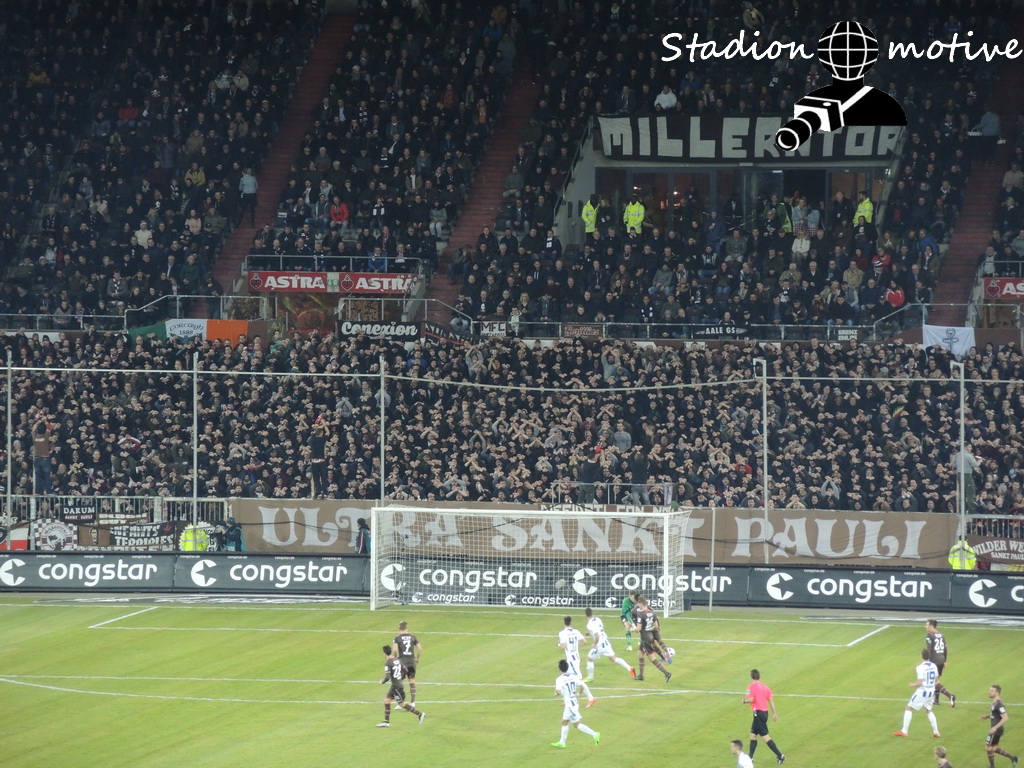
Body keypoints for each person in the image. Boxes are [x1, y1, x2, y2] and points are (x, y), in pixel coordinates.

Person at [551, 659, 600, 749]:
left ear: (559, 669)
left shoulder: (559, 679)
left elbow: (558, 692)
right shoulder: (573, 676)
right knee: (564, 722)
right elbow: (582, 686)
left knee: (576, 724)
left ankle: (594, 734)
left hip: (570, 705)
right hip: (573, 702)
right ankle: (562, 742)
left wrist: (556, 693)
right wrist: (578, 694)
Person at [894, 649, 941, 738]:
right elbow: (936, 679)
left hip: (922, 691)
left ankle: (904, 731)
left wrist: (912, 684)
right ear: (929, 656)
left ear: (921, 656)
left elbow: (919, 683)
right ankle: (936, 732)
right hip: (931, 691)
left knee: (908, 707)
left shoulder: (920, 667)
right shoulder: (934, 665)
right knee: (929, 710)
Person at [377, 644, 425, 727]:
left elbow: (387, 677)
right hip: (396, 685)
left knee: (402, 704)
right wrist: (400, 678)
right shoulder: (397, 660)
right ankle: (386, 722)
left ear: (384, 653)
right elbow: (406, 670)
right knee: (386, 701)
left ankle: (419, 714)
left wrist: (382, 682)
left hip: (396, 687)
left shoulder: (388, 663)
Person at [744, 668, 785, 764]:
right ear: (759, 676)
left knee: (765, 737)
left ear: (751, 677)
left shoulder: (750, 687)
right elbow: (771, 701)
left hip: (757, 714)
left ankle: (780, 756)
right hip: (764, 713)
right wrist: (774, 713)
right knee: (753, 735)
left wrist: (744, 701)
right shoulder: (765, 687)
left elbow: (750, 699)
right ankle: (750, 758)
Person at [583, 607, 635, 682]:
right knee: (613, 658)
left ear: (585, 615)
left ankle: (590, 678)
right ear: (593, 613)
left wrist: (594, 644)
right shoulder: (598, 619)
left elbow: (597, 635)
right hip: (606, 642)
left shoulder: (589, 625)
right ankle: (630, 668)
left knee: (589, 659)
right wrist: (589, 633)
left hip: (599, 645)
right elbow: (600, 629)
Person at [629, 596, 672, 683]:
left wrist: (632, 629)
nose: (638, 606)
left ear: (641, 603)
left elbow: (638, 628)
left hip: (645, 639)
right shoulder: (652, 613)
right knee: (640, 654)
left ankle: (667, 673)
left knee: (652, 659)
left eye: (638, 604)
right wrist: (649, 628)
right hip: (650, 636)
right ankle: (641, 676)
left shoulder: (641, 614)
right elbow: (656, 626)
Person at [557, 616, 595, 706]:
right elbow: (584, 641)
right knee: (570, 679)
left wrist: (558, 644)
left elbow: (562, 646)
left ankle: (591, 698)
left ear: (564, 623)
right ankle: (570, 699)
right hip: (576, 657)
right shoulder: (576, 631)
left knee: (578, 680)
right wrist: (575, 646)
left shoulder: (562, 633)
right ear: (570, 622)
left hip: (571, 660)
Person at [981, 684, 1019, 767]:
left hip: (996, 729)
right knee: (994, 748)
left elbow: (1005, 718)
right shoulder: (994, 702)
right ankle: (1013, 758)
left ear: (997, 692)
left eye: (992, 691)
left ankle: (992, 766)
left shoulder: (999, 704)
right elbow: (995, 714)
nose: (989, 692)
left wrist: (995, 728)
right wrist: (987, 716)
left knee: (988, 747)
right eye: (989, 690)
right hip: (996, 729)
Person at [925, 619, 957, 707]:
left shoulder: (929, 636)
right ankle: (936, 700)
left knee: (934, 682)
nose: (925, 627)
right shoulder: (941, 635)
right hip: (941, 659)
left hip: (934, 660)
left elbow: (929, 650)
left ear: (931, 626)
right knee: (937, 680)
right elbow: (945, 648)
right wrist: (945, 660)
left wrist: (927, 661)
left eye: (927, 625)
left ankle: (950, 696)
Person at [394, 620, 423, 704]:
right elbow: (420, 648)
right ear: (407, 627)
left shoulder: (397, 638)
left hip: (402, 661)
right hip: (411, 661)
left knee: (399, 681)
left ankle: (400, 703)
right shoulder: (413, 637)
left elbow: (395, 650)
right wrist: (417, 658)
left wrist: (396, 658)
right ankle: (413, 702)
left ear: (399, 628)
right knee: (412, 681)